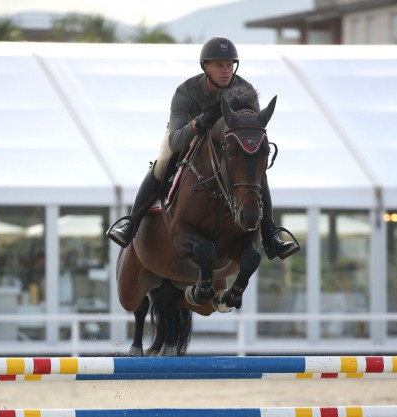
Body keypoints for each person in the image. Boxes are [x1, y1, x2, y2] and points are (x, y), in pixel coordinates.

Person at [107, 36, 299, 261]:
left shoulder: (245, 90)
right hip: (187, 136)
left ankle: (270, 236)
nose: (226, 71)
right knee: (163, 161)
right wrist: (197, 124)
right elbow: (176, 141)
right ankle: (131, 223)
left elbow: (250, 132)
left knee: (254, 174)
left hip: (226, 145)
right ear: (205, 66)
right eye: (219, 65)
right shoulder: (186, 91)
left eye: (230, 65)